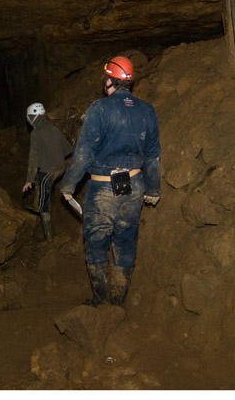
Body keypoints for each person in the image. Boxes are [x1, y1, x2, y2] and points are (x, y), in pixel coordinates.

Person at [59, 56, 160, 308]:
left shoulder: (99, 108)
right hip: (134, 185)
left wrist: (68, 185)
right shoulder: (147, 110)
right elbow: (152, 155)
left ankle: (101, 300)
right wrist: (154, 188)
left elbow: (84, 153)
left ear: (108, 81)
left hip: (103, 186)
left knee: (96, 242)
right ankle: (117, 301)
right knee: (125, 239)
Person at [22, 102, 73, 242]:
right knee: (39, 181)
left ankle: (49, 237)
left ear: (32, 118)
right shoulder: (53, 128)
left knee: (44, 202)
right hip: (61, 169)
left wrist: (28, 180)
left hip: (49, 172)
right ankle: (36, 202)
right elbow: (68, 149)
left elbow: (33, 159)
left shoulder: (36, 133)